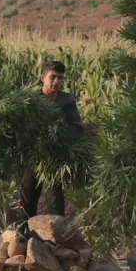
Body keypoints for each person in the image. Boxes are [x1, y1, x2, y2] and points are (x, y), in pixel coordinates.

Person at [18, 60, 85, 219]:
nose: (56, 81)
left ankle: (57, 232)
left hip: (57, 156)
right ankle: (25, 230)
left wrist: (57, 133)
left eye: (60, 78)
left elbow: (78, 128)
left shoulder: (67, 100)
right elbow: (22, 128)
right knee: (28, 196)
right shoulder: (32, 99)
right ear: (43, 78)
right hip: (33, 155)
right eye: (52, 77)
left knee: (56, 200)